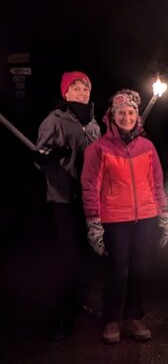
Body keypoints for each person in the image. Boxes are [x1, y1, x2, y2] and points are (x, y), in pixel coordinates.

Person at [81, 89, 168, 344]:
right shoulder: (99, 149)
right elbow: (90, 187)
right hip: (114, 219)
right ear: (112, 117)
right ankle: (111, 319)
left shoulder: (147, 146)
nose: (126, 117)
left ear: (137, 117)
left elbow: (157, 183)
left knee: (141, 270)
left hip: (146, 217)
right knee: (118, 271)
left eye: (131, 112)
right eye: (121, 113)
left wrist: (163, 214)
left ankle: (132, 316)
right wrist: (94, 223)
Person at [36, 71, 101, 340]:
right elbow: (39, 156)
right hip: (63, 198)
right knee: (69, 257)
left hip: (88, 198)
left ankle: (81, 300)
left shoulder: (94, 124)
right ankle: (61, 314)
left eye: (85, 88)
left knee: (88, 254)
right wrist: (49, 159)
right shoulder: (54, 120)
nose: (81, 92)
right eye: (76, 88)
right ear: (65, 93)